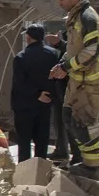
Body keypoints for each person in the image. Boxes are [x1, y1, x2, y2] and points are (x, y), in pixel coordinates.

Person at [48, 0, 99, 178]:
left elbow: (93, 49)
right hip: (77, 79)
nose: (59, 3)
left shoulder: (87, 16)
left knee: (84, 124)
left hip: (89, 80)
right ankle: (83, 160)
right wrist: (62, 65)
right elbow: (73, 48)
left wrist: (66, 66)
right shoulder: (75, 17)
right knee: (68, 118)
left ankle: (93, 167)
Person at [11, 23, 60, 161]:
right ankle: (41, 171)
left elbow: (20, 83)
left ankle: (24, 172)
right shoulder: (53, 54)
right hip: (45, 104)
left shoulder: (21, 57)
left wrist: (36, 94)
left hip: (24, 105)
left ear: (28, 37)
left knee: (24, 140)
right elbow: (57, 78)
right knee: (42, 140)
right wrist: (47, 96)